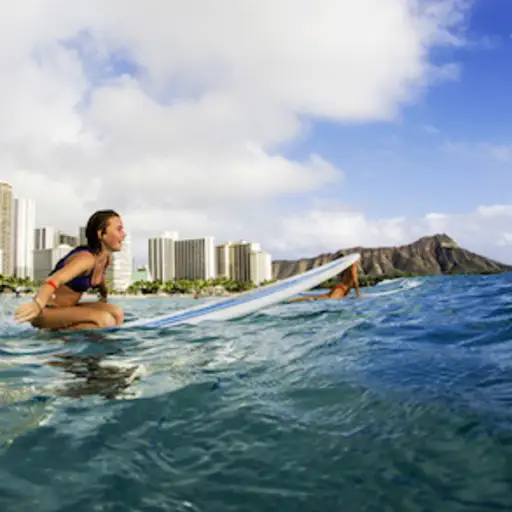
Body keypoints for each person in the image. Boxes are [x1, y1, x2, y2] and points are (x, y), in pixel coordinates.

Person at [14, 209, 126, 332]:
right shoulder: (85, 259)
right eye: (119, 229)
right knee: (105, 320)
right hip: (46, 311)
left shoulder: (105, 259)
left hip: (68, 308)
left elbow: (99, 280)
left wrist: (103, 296)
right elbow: (53, 280)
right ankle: (55, 335)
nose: (123, 234)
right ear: (100, 234)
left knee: (117, 313)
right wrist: (37, 305)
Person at [288, 261, 361, 302]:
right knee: (327, 299)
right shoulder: (354, 264)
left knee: (320, 297)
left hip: (341, 288)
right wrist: (358, 294)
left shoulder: (350, 264)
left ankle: (293, 300)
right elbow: (355, 280)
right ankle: (293, 300)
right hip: (341, 289)